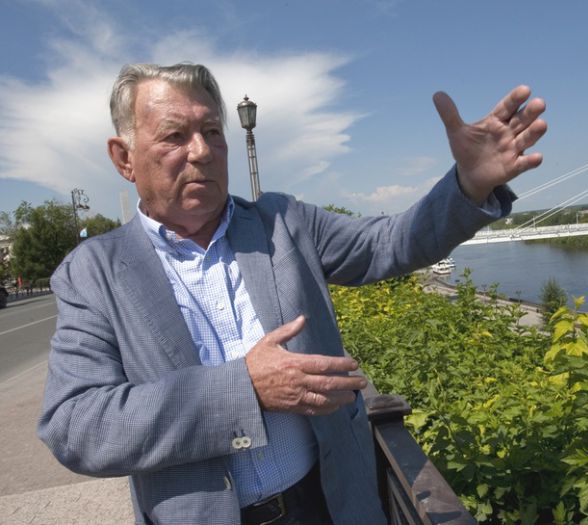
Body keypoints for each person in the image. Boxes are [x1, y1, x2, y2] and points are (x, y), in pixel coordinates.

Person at [38, 63, 546, 524]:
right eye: (175, 136)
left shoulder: (283, 223)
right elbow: (76, 425)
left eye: (212, 132)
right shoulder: (94, 273)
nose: (202, 151)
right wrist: (246, 390)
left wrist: (467, 186)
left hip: (328, 504)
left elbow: (388, 244)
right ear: (124, 158)